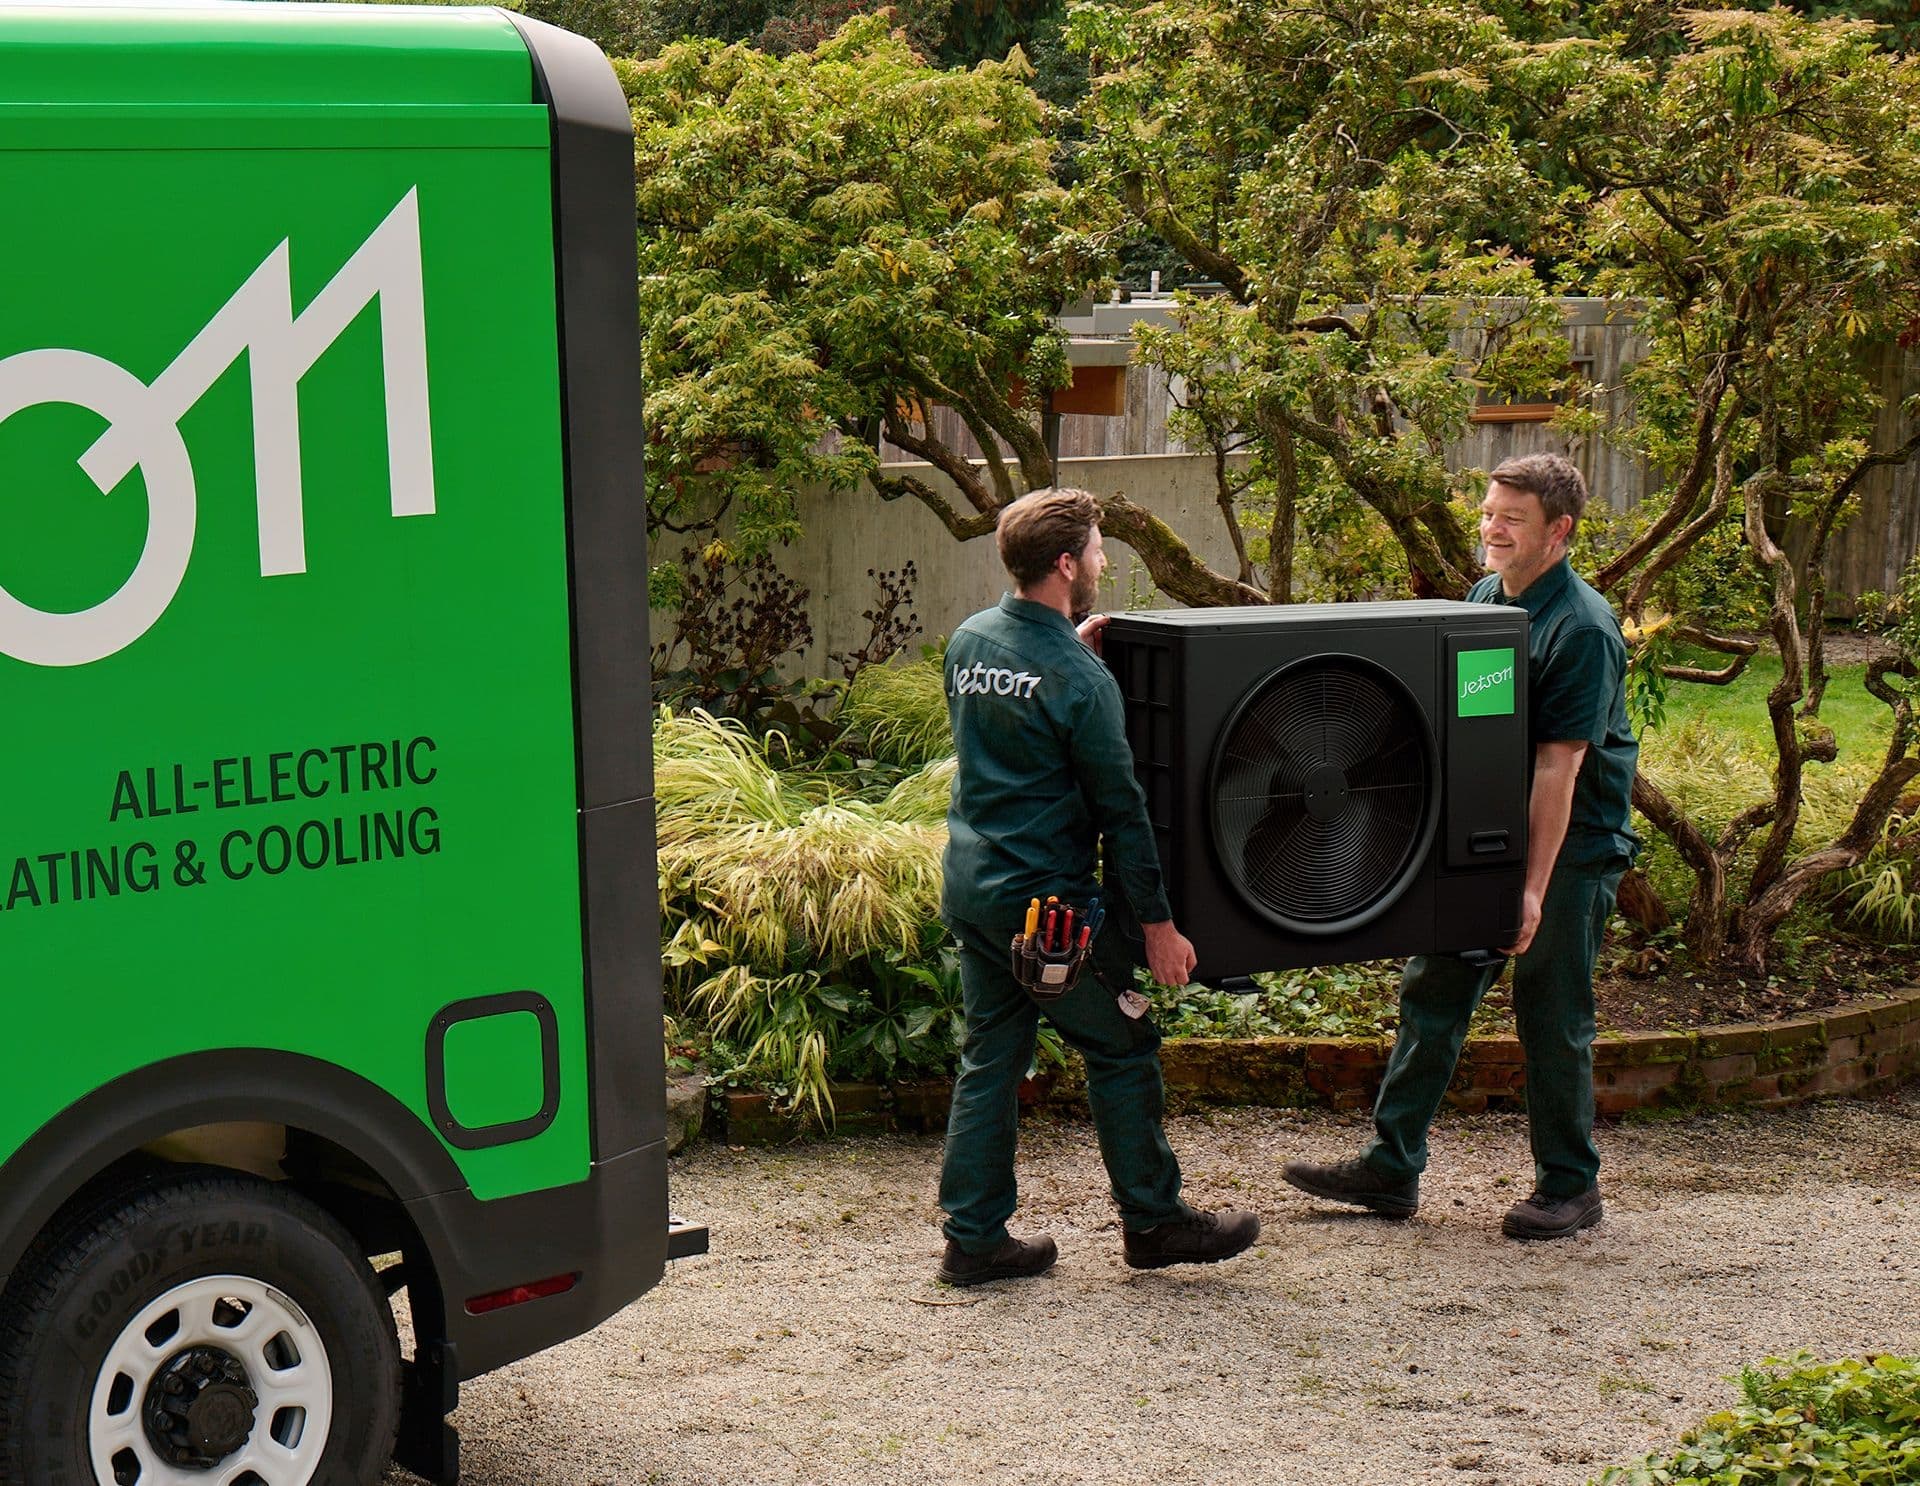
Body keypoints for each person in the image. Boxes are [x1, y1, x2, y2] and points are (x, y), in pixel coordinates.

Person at [1283, 453, 1640, 1240]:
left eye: (1511, 518)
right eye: (1488, 513)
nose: (1492, 528)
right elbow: (1468, 724)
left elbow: (1560, 764)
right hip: (1486, 832)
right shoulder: (1485, 600)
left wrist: (1532, 889)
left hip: (1570, 845)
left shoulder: (1580, 628)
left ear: (1559, 531)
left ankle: (1571, 1187)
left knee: (1551, 1013)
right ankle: (1391, 1168)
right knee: (1435, 990)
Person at [935, 487, 1260, 1284]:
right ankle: (1154, 1221)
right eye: (1098, 550)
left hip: (975, 887)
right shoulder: (1081, 682)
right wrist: (1156, 925)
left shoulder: (972, 640)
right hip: (1046, 908)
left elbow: (1019, 716)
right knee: (1122, 1044)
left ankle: (973, 1239)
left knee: (991, 1057)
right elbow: (1124, 810)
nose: (1105, 561)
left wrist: (1067, 646)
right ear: (1066, 563)